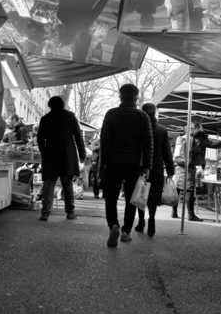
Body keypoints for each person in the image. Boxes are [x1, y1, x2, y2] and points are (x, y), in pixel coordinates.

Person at [99, 84, 153, 248]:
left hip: (113, 163)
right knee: (132, 198)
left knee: (111, 197)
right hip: (134, 164)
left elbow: (104, 141)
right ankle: (126, 232)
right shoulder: (143, 116)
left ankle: (113, 225)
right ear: (136, 98)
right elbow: (148, 144)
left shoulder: (111, 114)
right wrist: (147, 166)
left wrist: (103, 165)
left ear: (120, 96)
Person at [172, 121, 221, 221]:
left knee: (178, 189)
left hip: (179, 166)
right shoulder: (199, 139)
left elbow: (176, 154)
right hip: (189, 166)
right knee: (189, 190)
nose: (202, 130)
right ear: (196, 128)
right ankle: (191, 215)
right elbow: (213, 143)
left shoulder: (181, 137)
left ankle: (174, 212)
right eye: (200, 128)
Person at [37, 96, 86, 221]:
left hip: (51, 155)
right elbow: (78, 136)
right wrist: (82, 154)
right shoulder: (70, 117)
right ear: (63, 105)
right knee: (67, 184)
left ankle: (45, 213)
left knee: (49, 184)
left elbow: (40, 139)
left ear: (50, 105)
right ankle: (70, 212)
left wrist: (44, 152)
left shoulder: (45, 118)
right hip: (67, 155)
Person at [135, 103, 174, 237]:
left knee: (140, 195)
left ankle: (141, 222)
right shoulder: (162, 130)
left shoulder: (138, 128)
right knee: (152, 197)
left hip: (140, 168)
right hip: (156, 168)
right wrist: (170, 170)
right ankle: (151, 220)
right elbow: (167, 153)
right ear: (155, 113)